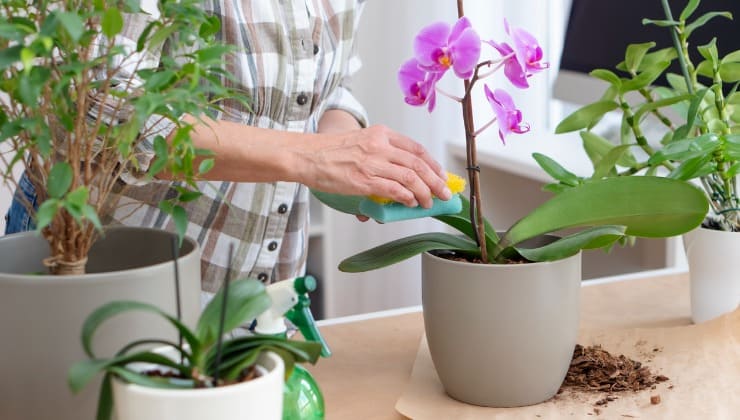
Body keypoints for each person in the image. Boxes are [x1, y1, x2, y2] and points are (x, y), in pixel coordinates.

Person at [4, 0, 450, 302]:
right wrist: (312, 157)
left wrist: (354, 161)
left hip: (258, 295)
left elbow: (331, 89)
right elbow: (98, 114)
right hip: (108, 276)